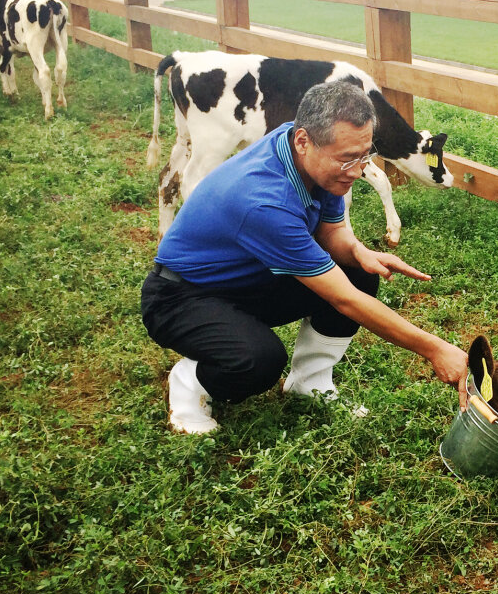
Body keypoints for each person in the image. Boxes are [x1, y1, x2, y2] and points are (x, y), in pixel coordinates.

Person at [140, 80, 468, 433]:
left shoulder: (307, 153)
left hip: (244, 278)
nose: (358, 171)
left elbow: (331, 232)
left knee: (358, 270)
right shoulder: (264, 201)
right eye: (347, 160)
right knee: (258, 360)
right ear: (304, 141)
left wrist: (357, 250)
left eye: (364, 156)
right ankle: (189, 382)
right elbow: (345, 301)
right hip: (180, 298)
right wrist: (436, 349)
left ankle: (309, 382)